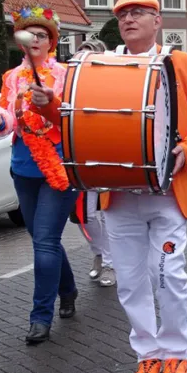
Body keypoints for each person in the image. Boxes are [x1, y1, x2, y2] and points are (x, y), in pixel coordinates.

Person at [101, 0, 187, 373]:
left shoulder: (185, 65)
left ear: (158, 21)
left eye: (138, 13)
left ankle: (176, 353)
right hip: (119, 194)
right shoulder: (105, 65)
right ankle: (147, 353)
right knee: (130, 280)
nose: (128, 19)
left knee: (167, 273)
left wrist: (185, 152)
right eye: (122, 15)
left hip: (168, 192)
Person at [0, 4, 79, 344]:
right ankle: (68, 290)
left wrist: (50, 102)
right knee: (41, 239)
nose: (35, 40)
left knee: (46, 241)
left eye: (42, 35)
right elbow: (9, 116)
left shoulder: (68, 75)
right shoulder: (11, 77)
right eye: (29, 35)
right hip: (23, 165)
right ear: (21, 42)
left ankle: (40, 316)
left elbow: (72, 119)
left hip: (59, 165)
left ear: (51, 41)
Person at [69, 38, 115, 287]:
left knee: (102, 213)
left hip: (102, 153)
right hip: (76, 155)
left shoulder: (108, 85)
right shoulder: (70, 87)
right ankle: (98, 253)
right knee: (82, 216)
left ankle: (110, 263)